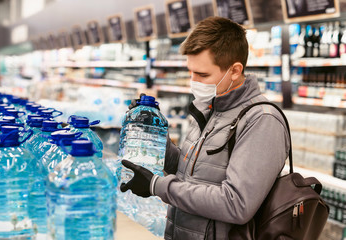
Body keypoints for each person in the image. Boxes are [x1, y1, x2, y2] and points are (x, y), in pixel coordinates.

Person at [120, 16, 290, 239]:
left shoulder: (262, 121)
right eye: (191, 72)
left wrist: (157, 186)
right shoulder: (210, 108)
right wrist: (153, 133)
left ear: (235, 70)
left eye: (202, 75)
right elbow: (188, 171)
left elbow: (236, 203)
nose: (193, 81)